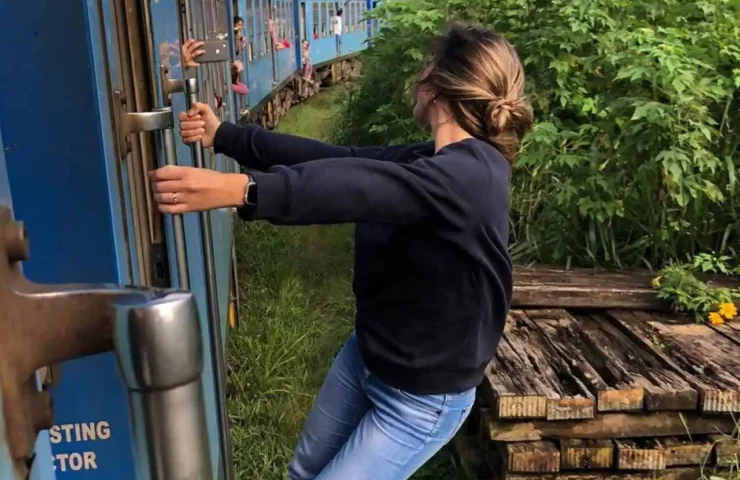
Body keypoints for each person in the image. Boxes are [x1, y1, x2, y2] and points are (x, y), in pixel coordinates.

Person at [150, 23, 533, 480]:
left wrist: (245, 190)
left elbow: (356, 189)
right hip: (369, 357)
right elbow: (338, 160)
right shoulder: (431, 161)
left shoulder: (469, 178)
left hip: (420, 400)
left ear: (434, 87)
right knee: (302, 473)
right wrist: (226, 136)